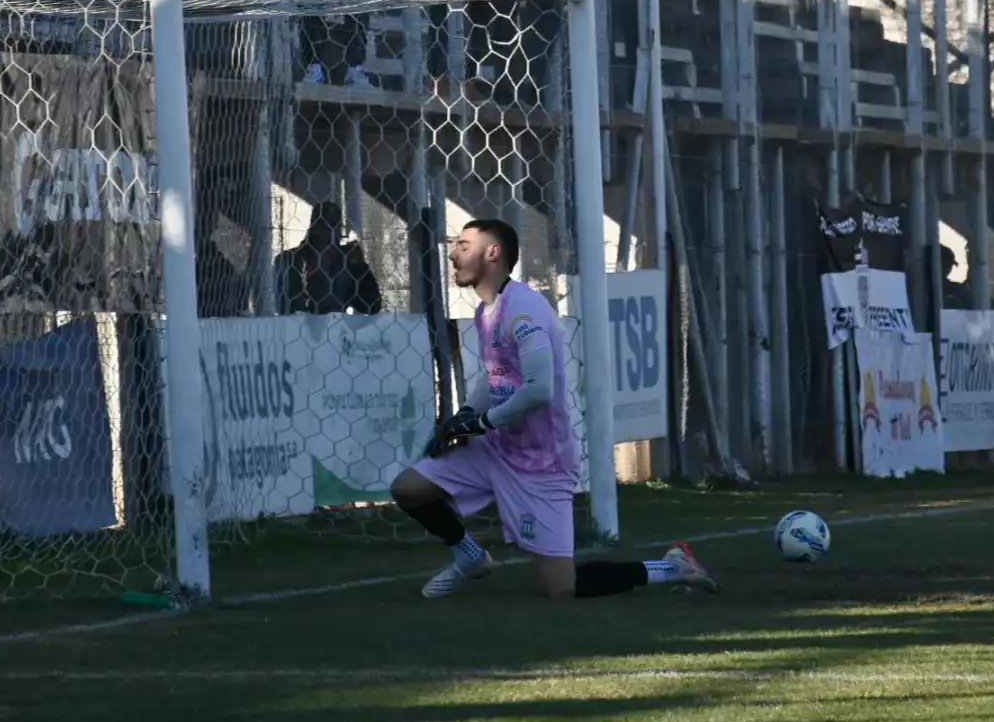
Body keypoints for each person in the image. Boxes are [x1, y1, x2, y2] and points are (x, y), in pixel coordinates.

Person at [388, 218, 718, 599]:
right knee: (409, 488)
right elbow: (496, 376)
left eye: (463, 245)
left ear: (492, 252)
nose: (453, 253)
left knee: (560, 589)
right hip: (497, 448)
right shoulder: (487, 311)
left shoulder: (523, 312)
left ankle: (672, 566)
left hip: (540, 464)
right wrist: (463, 416)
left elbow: (539, 390)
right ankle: (471, 557)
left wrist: (478, 423)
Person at [273, 202, 384, 316]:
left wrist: (360, 269)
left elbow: (372, 306)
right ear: (314, 229)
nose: (332, 233)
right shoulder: (288, 260)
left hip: (337, 330)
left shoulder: (345, 263)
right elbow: (284, 307)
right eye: (326, 227)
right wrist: (313, 276)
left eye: (337, 228)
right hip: (297, 330)